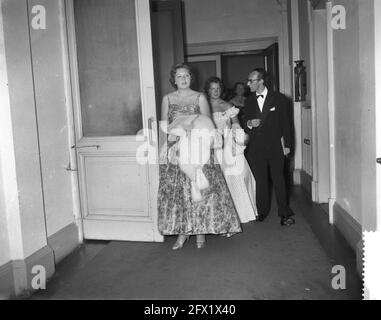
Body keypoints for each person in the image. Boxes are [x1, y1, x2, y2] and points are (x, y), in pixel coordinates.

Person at [157, 64, 242, 250]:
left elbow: (208, 124)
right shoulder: (167, 99)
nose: (183, 79)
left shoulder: (200, 97)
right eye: (179, 76)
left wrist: (194, 129)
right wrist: (167, 143)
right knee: (180, 192)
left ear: (191, 77)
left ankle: (201, 232)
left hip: (199, 147)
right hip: (177, 147)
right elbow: (164, 125)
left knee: (202, 190)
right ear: (174, 79)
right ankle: (183, 232)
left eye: (186, 75)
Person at [242, 68, 295, 227]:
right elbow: (244, 121)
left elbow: (286, 124)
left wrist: (287, 144)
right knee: (261, 180)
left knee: (279, 179)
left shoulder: (279, 99)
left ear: (261, 81)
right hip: (256, 147)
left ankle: (284, 214)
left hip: (275, 146)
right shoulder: (249, 100)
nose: (248, 83)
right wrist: (250, 124)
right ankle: (262, 211)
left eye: (251, 81)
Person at [205, 76, 258, 225]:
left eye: (218, 89)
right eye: (212, 89)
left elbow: (236, 124)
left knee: (238, 175)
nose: (216, 92)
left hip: (228, 145)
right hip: (212, 146)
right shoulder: (204, 106)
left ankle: (239, 213)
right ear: (208, 90)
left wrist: (239, 136)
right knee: (215, 181)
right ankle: (218, 216)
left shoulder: (228, 106)